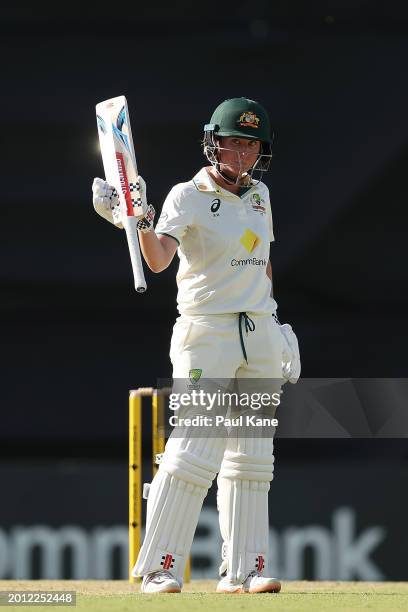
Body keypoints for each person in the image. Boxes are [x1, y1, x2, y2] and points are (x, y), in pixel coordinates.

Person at [92, 97, 300, 594]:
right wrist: (136, 218)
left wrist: (274, 322)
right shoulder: (187, 195)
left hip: (259, 334)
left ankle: (244, 570)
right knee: (193, 451)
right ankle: (161, 566)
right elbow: (160, 259)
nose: (243, 154)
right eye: (234, 143)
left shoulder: (260, 198)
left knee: (251, 459)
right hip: (207, 333)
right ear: (214, 143)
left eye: (251, 145)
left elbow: (262, 264)